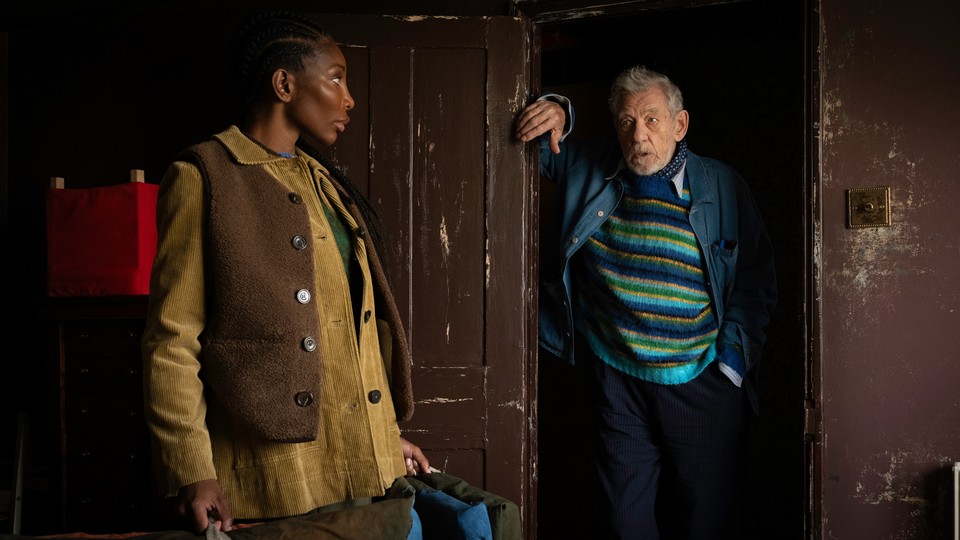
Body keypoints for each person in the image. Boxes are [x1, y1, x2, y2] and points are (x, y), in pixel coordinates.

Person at [141, 11, 429, 534]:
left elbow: (351, 335)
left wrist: (383, 436)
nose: (349, 99)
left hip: (359, 472)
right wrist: (192, 471)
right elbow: (172, 340)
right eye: (337, 77)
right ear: (284, 83)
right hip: (270, 478)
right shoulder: (202, 176)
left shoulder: (324, 183)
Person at [515, 65, 777, 539]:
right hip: (618, 377)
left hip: (702, 377)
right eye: (627, 122)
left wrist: (732, 361)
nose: (639, 136)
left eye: (653, 120)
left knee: (706, 521)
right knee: (624, 521)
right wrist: (559, 109)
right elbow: (518, 141)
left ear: (680, 125)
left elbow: (757, 278)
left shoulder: (721, 185)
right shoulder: (586, 167)